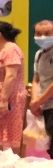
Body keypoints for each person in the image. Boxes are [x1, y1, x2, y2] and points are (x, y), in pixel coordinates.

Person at [0, 21, 26, 151]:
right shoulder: (4, 50)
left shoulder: (11, 49)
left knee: (11, 132)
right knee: (4, 132)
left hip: (11, 96)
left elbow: (11, 75)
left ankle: (13, 163)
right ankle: (6, 161)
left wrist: (4, 99)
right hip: (4, 95)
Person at [29, 20, 53, 158]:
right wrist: (34, 101)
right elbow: (36, 79)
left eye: (47, 33)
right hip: (46, 107)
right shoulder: (39, 54)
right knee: (49, 147)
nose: (42, 37)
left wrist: (38, 102)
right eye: (38, 34)